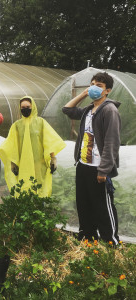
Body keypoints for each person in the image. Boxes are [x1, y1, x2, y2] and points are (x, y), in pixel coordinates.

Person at [62, 72, 121, 244]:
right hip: (83, 164)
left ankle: (111, 242)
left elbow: (112, 142)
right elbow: (67, 110)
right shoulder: (89, 109)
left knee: (103, 206)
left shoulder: (109, 110)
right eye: (93, 84)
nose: (94, 87)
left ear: (107, 91)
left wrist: (104, 170)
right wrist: (82, 94)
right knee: (84, 203)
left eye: (99, 86)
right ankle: (88, 238)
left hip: (98, 167)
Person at [0, 96, 66, 198]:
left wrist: (53, 158)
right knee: (24, 186)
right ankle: (26, 211)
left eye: (28, 106)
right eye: (23, 107)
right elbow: (12, 144)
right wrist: (13, 163)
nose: (25, 109)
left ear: (33, 107)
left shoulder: (41, 122)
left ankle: (39, 211)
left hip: (39, 163)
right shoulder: (17, 125)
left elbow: (48, 141)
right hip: (23, 163)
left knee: (39, 187)